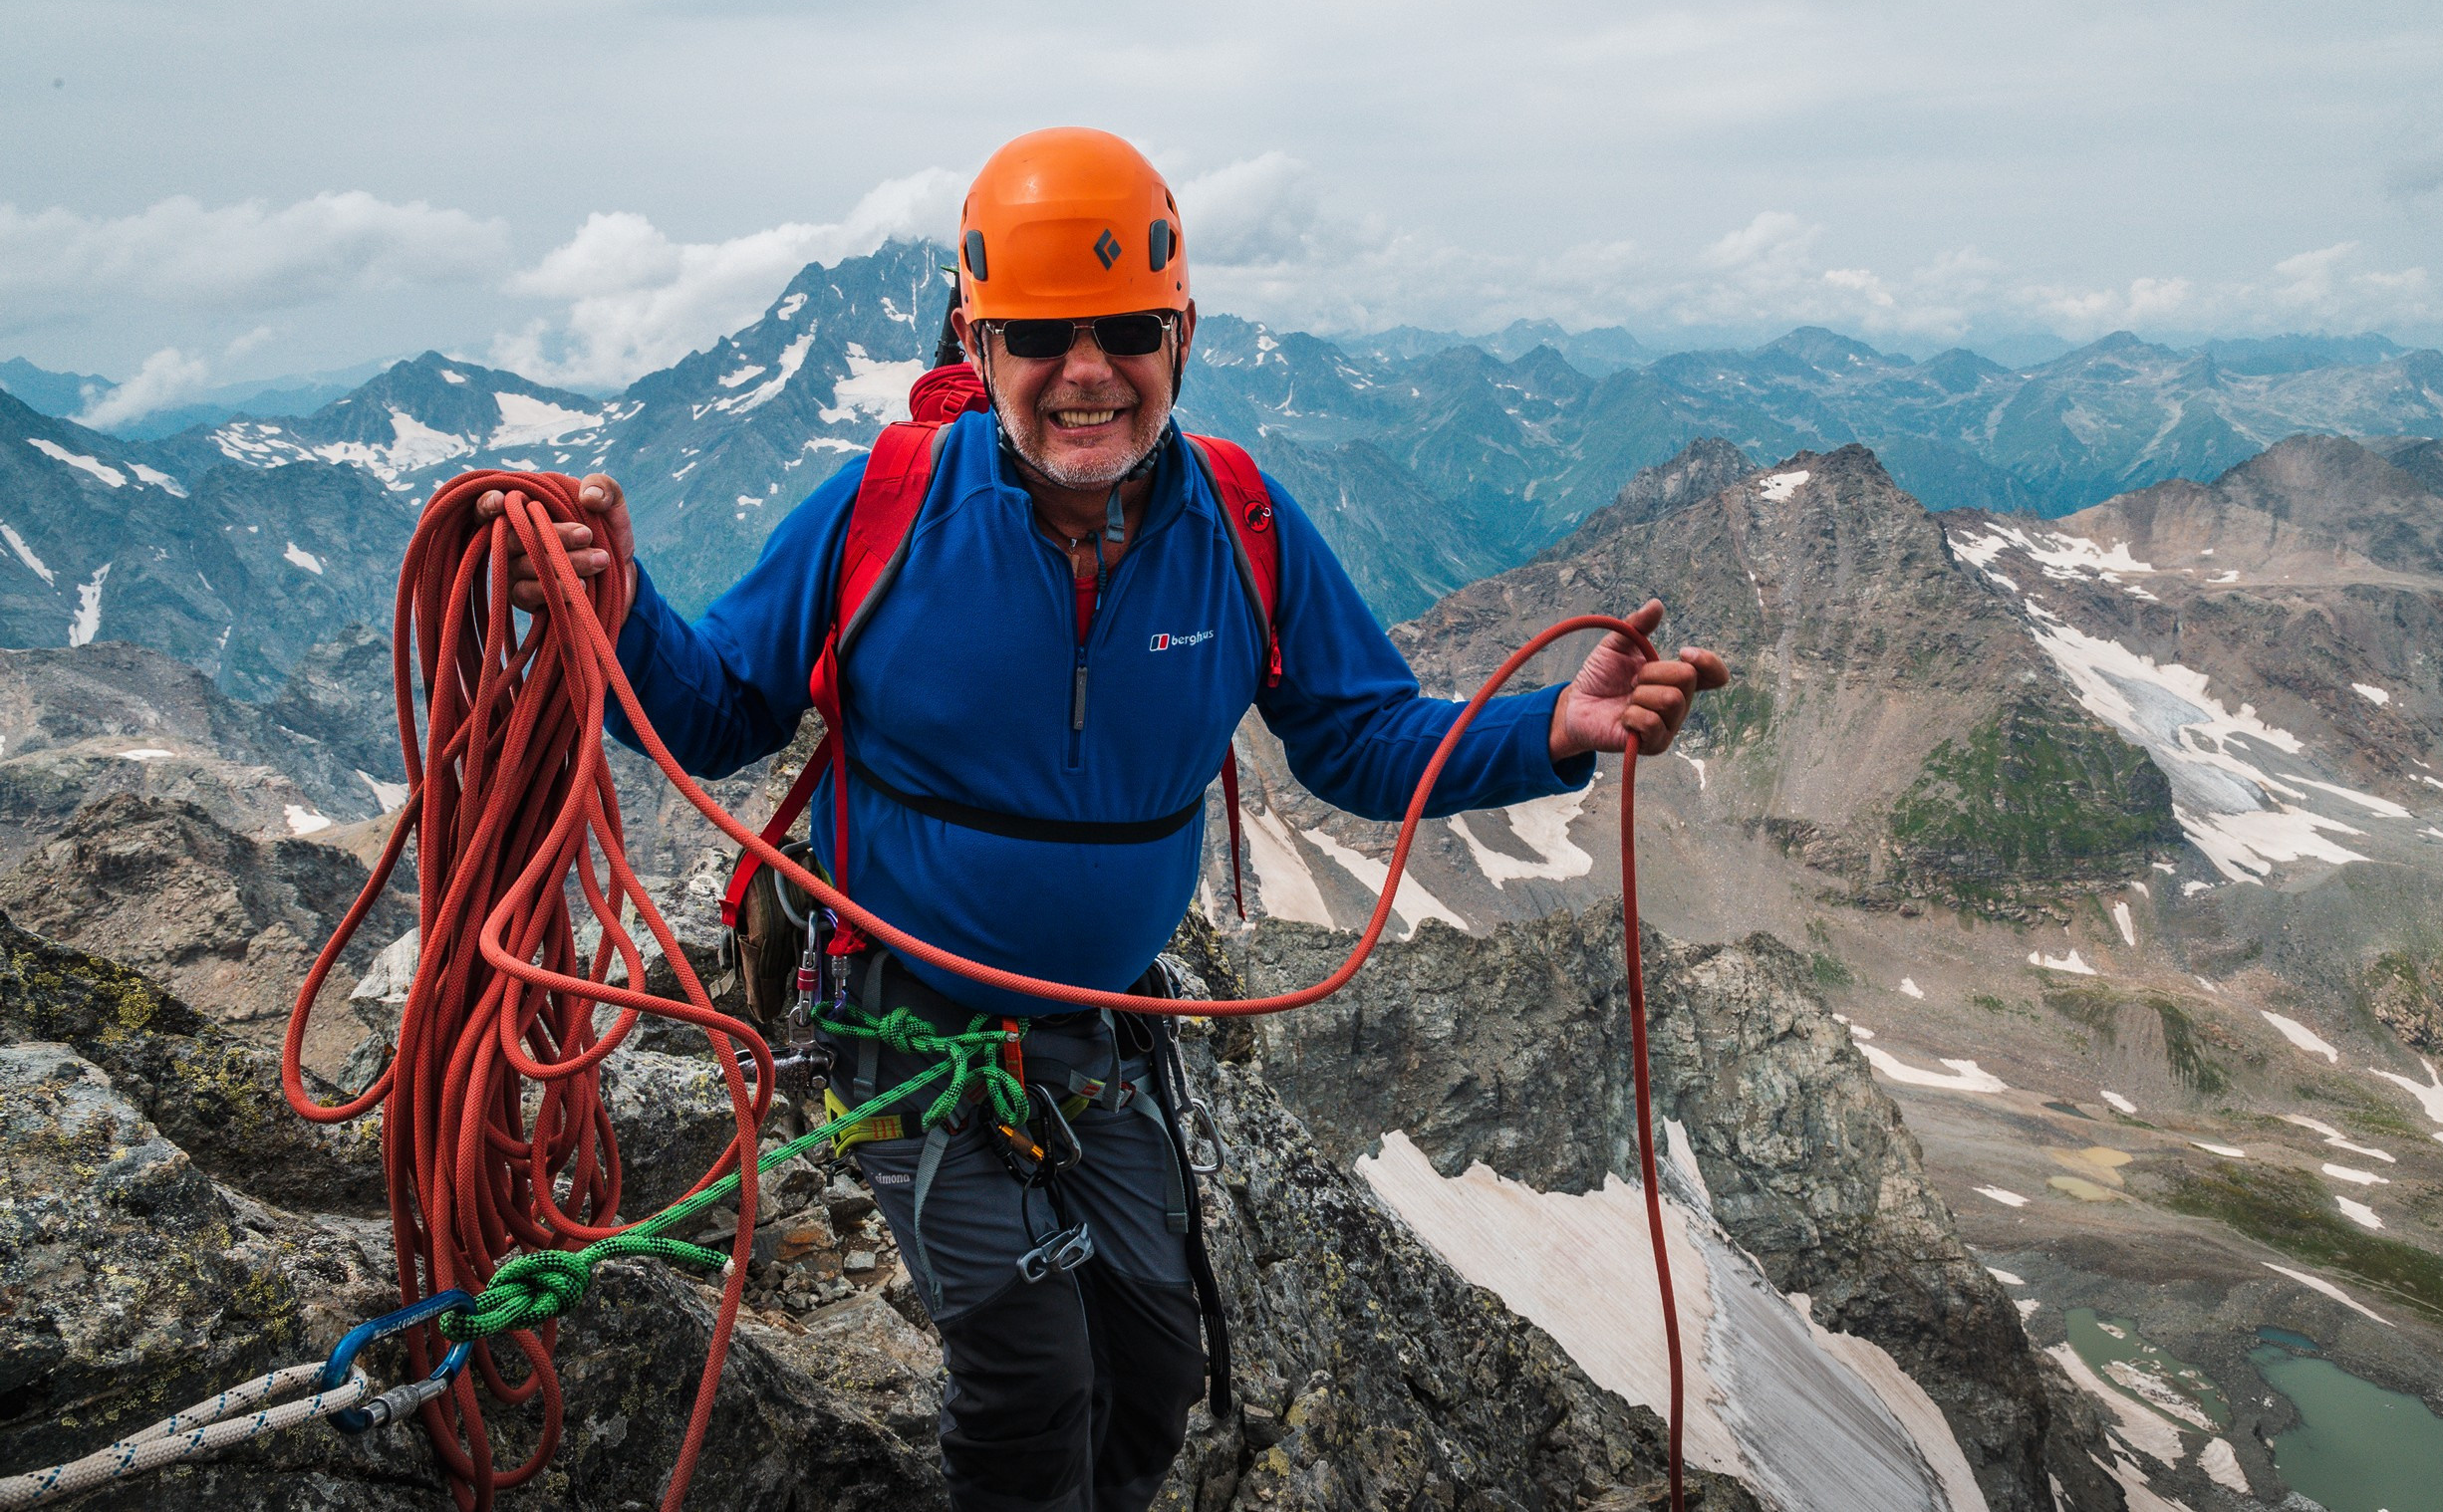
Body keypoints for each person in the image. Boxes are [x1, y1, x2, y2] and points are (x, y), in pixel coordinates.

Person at [483, 126, 1725, 1512]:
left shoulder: (1241, 520)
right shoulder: (888, 504)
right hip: (901, 1012)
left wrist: (1555, 728)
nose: (1087, 370)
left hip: (1097, 1028)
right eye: (1040, 336)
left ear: (1181, 334)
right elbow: (717, 707)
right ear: (980, 338)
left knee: (1151, 1371)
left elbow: (1360, 737)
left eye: (1125, 328)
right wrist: (612, 611)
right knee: (1027, 1376)